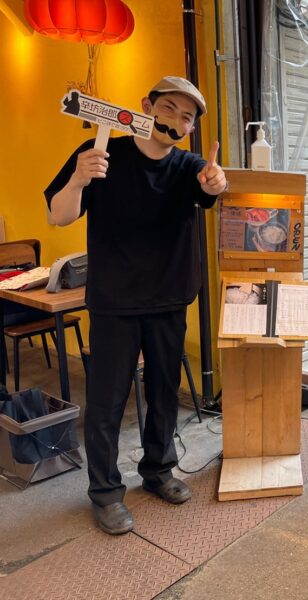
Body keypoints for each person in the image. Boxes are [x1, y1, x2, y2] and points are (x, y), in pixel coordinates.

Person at [45, 76, 227, 535]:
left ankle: (158, 471)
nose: (176, 121)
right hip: (113, 300)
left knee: (165, 391)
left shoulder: (189, 167)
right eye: (169, 108)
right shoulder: (101, 153)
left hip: (169, 295)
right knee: (107, 401)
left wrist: (216, 182)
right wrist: (79, 179)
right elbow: (59, 213)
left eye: (186, 117)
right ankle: (105, 493)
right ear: (146, 106)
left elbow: (208, 193)